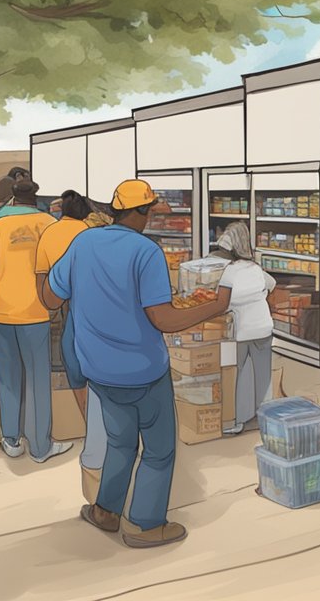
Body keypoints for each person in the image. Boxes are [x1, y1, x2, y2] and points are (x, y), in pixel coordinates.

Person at [43, 179, 229, 549]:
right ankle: (144, 525)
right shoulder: (147, 252)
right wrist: (216, 306)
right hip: (143, 370)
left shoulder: (83, 243)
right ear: (142, 213)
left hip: (98, 368)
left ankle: (105, 512)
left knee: (121, 443)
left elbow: (50, 298)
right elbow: (162, 318)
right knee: (159, 450)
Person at [0, 180, 71, 462]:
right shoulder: (48, 224)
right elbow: (59, 268)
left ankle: (11, 439)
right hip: (37, 312)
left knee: (8, 377)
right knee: (38, 379)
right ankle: (41, 446)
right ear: (36, 198)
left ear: (12, 199)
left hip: (0, 312)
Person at [36, 190, 101, 502]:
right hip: (90, 301)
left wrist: (46, 304)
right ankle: (97, 420)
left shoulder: (50, 231)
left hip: (64, 299)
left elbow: (43, 274)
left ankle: (86, 418)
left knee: (70, 355)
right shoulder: (89, 233)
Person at [213, 222, 277, 436]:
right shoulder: (255, 269)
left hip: (240, 332)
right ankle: (266, 420)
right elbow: (272, 283)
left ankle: (237, 422)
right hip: (263, 328)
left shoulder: (227, 273)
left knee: (237, 377)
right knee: (263, 376)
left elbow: (221, 301)